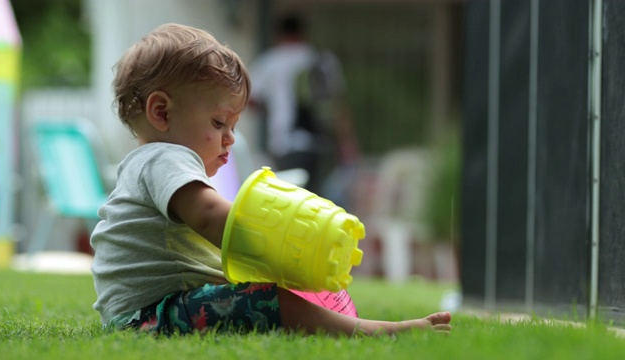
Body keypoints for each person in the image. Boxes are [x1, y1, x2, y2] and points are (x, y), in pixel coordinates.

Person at [90, 23, 452, 336]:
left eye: (233, 126)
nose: (230, 137)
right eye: (218, 124)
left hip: (157, 309)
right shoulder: (164, 156)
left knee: (263, 290)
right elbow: (209, 216)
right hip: (148, 318)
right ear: (161, 111)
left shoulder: (152, 162)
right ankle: (370, 332)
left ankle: (339, 322)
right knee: (268, 297)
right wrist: (279, 245)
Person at [248, 14, 359, 196]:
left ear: (279, 34)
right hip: (321, 141)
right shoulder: (323, 60)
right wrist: (347, 143)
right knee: (316, 196)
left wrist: (271, 109)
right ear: (303, 33)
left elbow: (250, 100)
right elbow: (338, 106)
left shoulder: (270, 61)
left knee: (289, 195)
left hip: (284, 141)